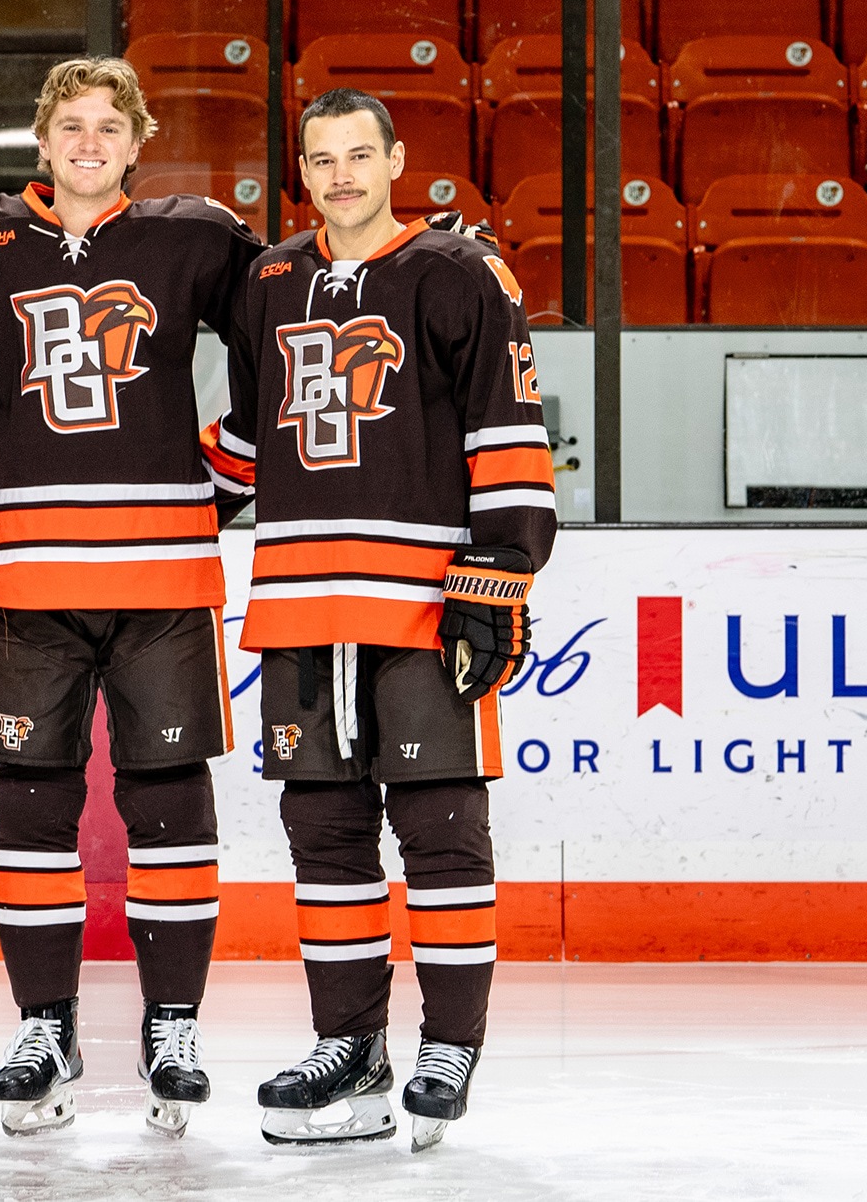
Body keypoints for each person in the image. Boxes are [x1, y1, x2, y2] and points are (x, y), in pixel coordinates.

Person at [203, 87, 556, 1151]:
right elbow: (250, 437)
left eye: (359, 155)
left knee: (442, 827)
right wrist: (151, 502)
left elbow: (508, 430)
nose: (341, 175)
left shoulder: (459, 271)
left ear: (397, 160)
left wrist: (498, 574)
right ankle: (349, 1043)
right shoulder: (270, 280)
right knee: (325, 832)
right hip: (301, 602)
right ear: (301, 172)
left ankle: (449, 1045)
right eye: (321, 159)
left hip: (420, 604)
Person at [0, 56, 264, 1138]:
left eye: (110, 124)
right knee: (31, 800)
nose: (88, 141)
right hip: (27, 573)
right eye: (70, 123)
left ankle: (173, 1024)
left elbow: (286, 327)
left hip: (162, 571)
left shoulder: (195, 236)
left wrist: (230, 468)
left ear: (137, 140)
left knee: (170, 798)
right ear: (42, 136)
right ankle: (45, 1024)